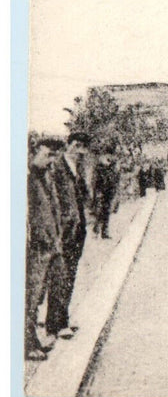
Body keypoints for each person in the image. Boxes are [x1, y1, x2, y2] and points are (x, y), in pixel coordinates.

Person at [45, 131, 91, 339]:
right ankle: (55, 324)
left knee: (70, 275)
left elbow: (83, 198)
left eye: (83, 147)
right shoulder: (56, 167)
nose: (79, 151)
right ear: (68, 145)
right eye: (77, 145)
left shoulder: (78, 168)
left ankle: (61, 319)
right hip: (63, 230)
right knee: (60, 275)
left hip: (77, 230)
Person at [25, 136, 64, 360]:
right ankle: (27, 344)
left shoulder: (43, 177)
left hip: (48, 245)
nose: (51, 160)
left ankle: (32, 340)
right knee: (28, 296)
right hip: (35, 246)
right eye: (47, 155)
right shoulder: (26, 179)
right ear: (33, 153)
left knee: (36, 294)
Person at [91, 143, 119, 239]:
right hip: (101, 190)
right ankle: (96, 230)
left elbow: (115, 178)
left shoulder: (113, 165)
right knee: (99, 211)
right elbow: (96, 179)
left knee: (106, 211)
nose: (111, 157)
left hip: (109, 190)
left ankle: (104, 232)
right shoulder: (100, 165)